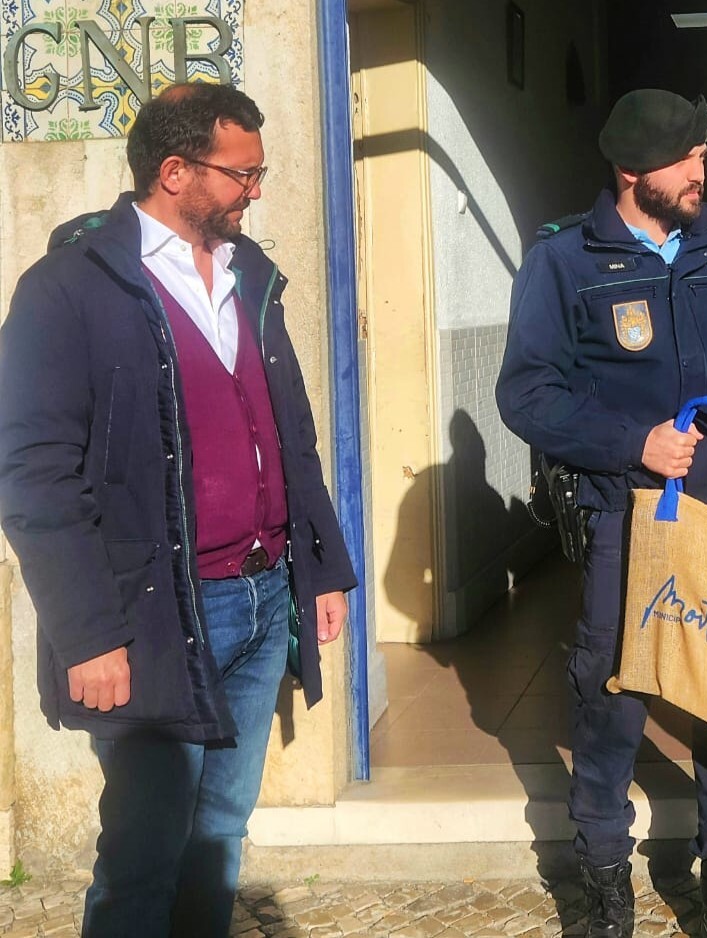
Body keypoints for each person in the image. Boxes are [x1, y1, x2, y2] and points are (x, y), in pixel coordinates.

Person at [0, 82, 357, 938]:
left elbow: (292, 433)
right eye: (243, 173)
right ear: (174, 171)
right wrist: (88, 634)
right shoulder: (68, 288)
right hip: (154, 612)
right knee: (144, 855)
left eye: (259, 172)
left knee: (219, 835)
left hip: (263, 596)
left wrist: (321, 568)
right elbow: (33, 475)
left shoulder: (248, 274)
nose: (256, 190)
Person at [496, 89, 707, 938]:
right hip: (623, 518)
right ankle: (604, 882)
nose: (701, 170)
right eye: (685, 159)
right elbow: (526, 392)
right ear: (631, 170)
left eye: (703, 154)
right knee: (612, 696)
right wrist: (632, 442)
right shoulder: (564, 259)